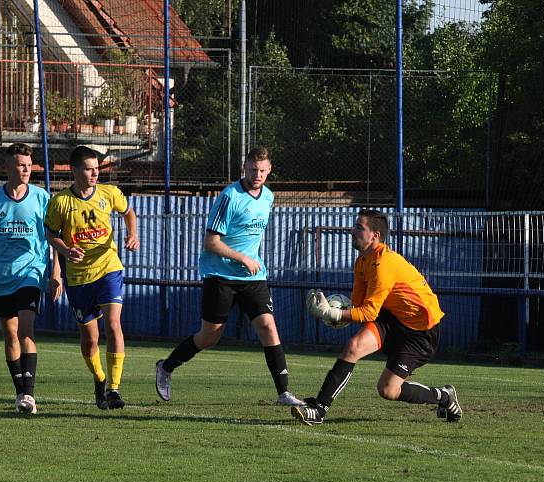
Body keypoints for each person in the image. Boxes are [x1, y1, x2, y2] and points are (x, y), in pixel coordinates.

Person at [155, 147, 304, 406]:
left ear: (269, 171)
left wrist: (251, 260)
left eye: (262, 170)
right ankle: (166, 367)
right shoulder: (229, 196)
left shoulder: (268, 197)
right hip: (220, 275)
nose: (257, 174)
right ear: (243, 168)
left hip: (253, 278)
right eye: (252, 169)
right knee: (209, 336)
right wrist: (243, 257)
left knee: (269, 327)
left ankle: (283, 393)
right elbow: (211, 243)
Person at [291, 209, 461, 425]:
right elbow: (360, 307)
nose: (352, 231)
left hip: (421, 331)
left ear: (375, 235)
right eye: (354, 226)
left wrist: (331, 312)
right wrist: (339, 315)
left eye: (359, 228)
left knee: (388, 390)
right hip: (392, 319)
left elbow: (368, 313)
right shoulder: (362, 262)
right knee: (353, 347)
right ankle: (319, 409)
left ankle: (444, 396)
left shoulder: (384, 264)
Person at [0, 142, 63, 415]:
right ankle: (20, 392)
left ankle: (29, 395)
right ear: (6, 167)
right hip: (0, 276)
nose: (27, 169)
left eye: (30, 165)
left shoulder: (42, 198)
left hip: (31, 272)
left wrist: (56, 271)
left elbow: (54, 237)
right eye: (21, 165)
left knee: (26, 329)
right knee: (10, 335)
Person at [44, 145, 139, 410]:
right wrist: (63, 252)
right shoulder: (60, 202)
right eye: (89, 168)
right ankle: (99, 379)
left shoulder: (109, 194)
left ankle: (114, 388)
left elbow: (128, 212)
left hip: (109, 268)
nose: (95, 173)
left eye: (97, 168)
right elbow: (51, 235)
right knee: (90, 339)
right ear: (74, 171)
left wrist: (132, 234)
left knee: (113, 324)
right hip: (78, 278)